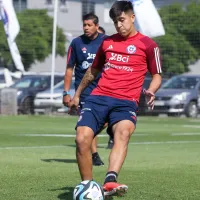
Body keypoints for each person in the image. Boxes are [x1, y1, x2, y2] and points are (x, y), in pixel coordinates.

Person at [69, 1, 162, 197]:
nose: (119, 25)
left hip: (125, 102)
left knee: (123, 132)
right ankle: (88, 186)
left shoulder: (148, 45)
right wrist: (77, 94)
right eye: (115, 22)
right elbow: (93, 71)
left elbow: (157, 75)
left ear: (132, 18)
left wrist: (151, 90)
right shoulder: (107, 42)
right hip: (98, 98)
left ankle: (110, 180)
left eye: (122, 20)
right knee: (81, 138)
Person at [63, 13, 106, 166]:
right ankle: (94, 154)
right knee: (89, 120)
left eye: (89, 25)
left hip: (104, 89)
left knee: (104, 122)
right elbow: (69, 69)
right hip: (85, 91)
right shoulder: (76, 43)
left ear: (97, 26)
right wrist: (66, 92)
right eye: (84, 25)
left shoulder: (106, 42)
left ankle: (86, 133)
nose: (86, 28)